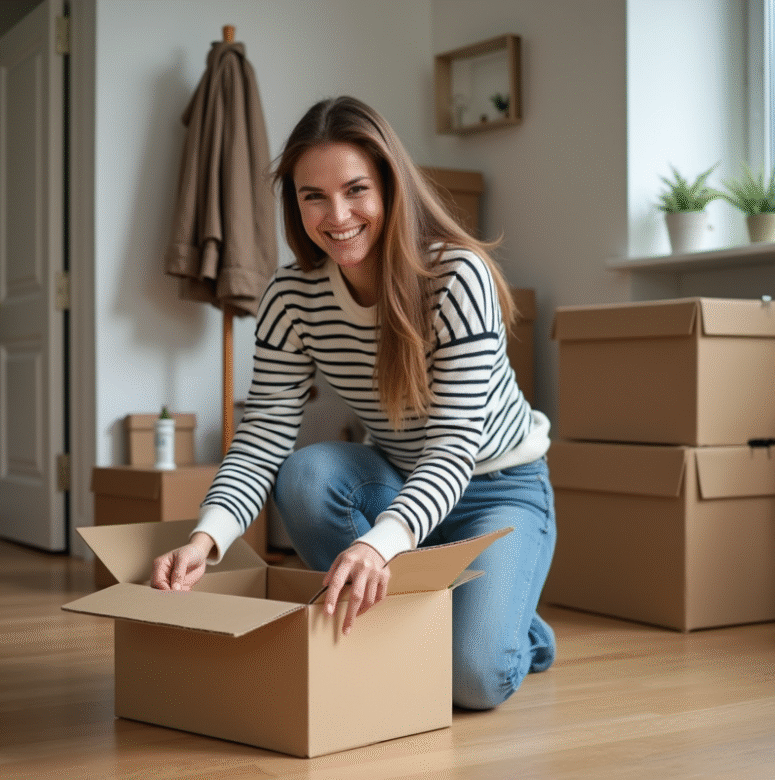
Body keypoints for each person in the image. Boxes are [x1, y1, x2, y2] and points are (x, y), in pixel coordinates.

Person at [150, 95, 556, 710]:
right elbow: (262, 437)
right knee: (305, 475)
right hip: (396, 477)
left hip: (498, 489)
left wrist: (376, 544)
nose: (336, 216)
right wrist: (205, 540)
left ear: (391, 187)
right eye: (313, 196)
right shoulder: (291, 297)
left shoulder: (457, 278)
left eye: (356, 190)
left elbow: (453, 447)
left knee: (472, 680)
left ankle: (518, 627)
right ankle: (416, 612)